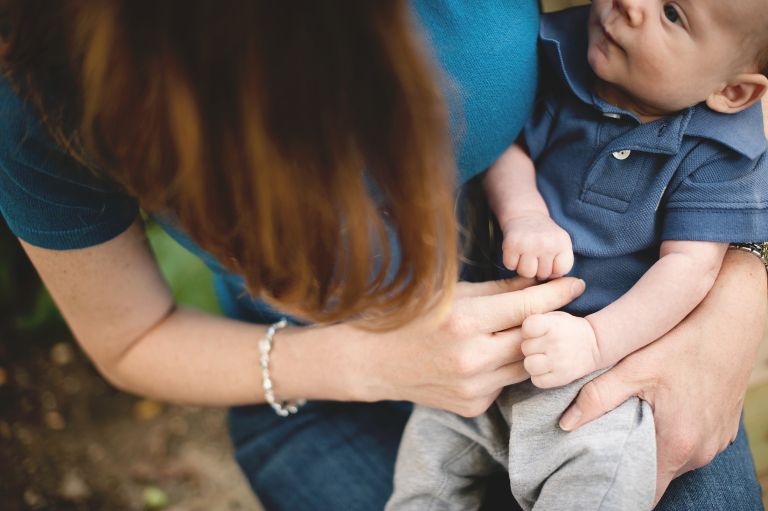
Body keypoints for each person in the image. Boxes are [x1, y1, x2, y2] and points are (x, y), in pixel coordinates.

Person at [0, 1, 764, 510]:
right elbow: (130, 337)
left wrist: (740, 293)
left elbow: (727, 46)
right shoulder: (49, 85)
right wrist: (365, 361)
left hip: (603, 356)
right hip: (329, 395)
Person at [388, 1, 768, 509]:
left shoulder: (719, 153)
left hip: (600, 368)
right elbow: (506, 143)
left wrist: (593, 340)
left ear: (733, 90)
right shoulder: (562, 58)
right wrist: (525, 215)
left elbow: (690, 269)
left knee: (603, 477)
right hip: (483, 343)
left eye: (672, 14)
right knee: (425, 471)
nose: (630, 5)